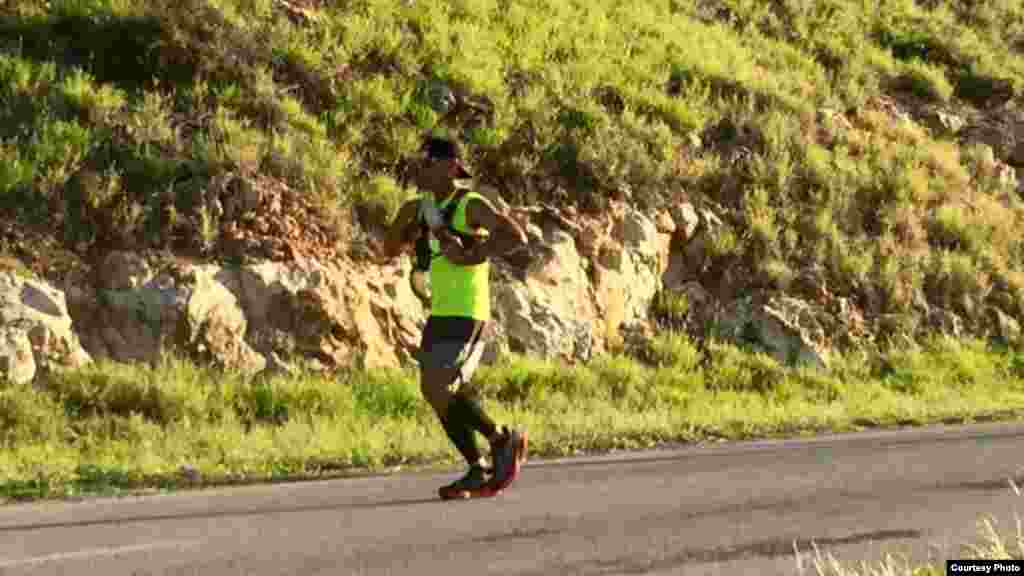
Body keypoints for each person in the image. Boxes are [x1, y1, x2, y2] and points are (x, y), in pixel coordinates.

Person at [372, 135, 530, 498]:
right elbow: (388, 249)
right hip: (440, 311)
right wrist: (410, 227)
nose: (418, 170)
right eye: (417, 164)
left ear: (449, 166)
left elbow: (514, 236)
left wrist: (473, 254)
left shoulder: (469, 204)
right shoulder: (416, 207)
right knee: (433, 390)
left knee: (441, 385)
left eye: (426, 163)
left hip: (469, 312)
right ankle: (480, 465)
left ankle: (502, 440)